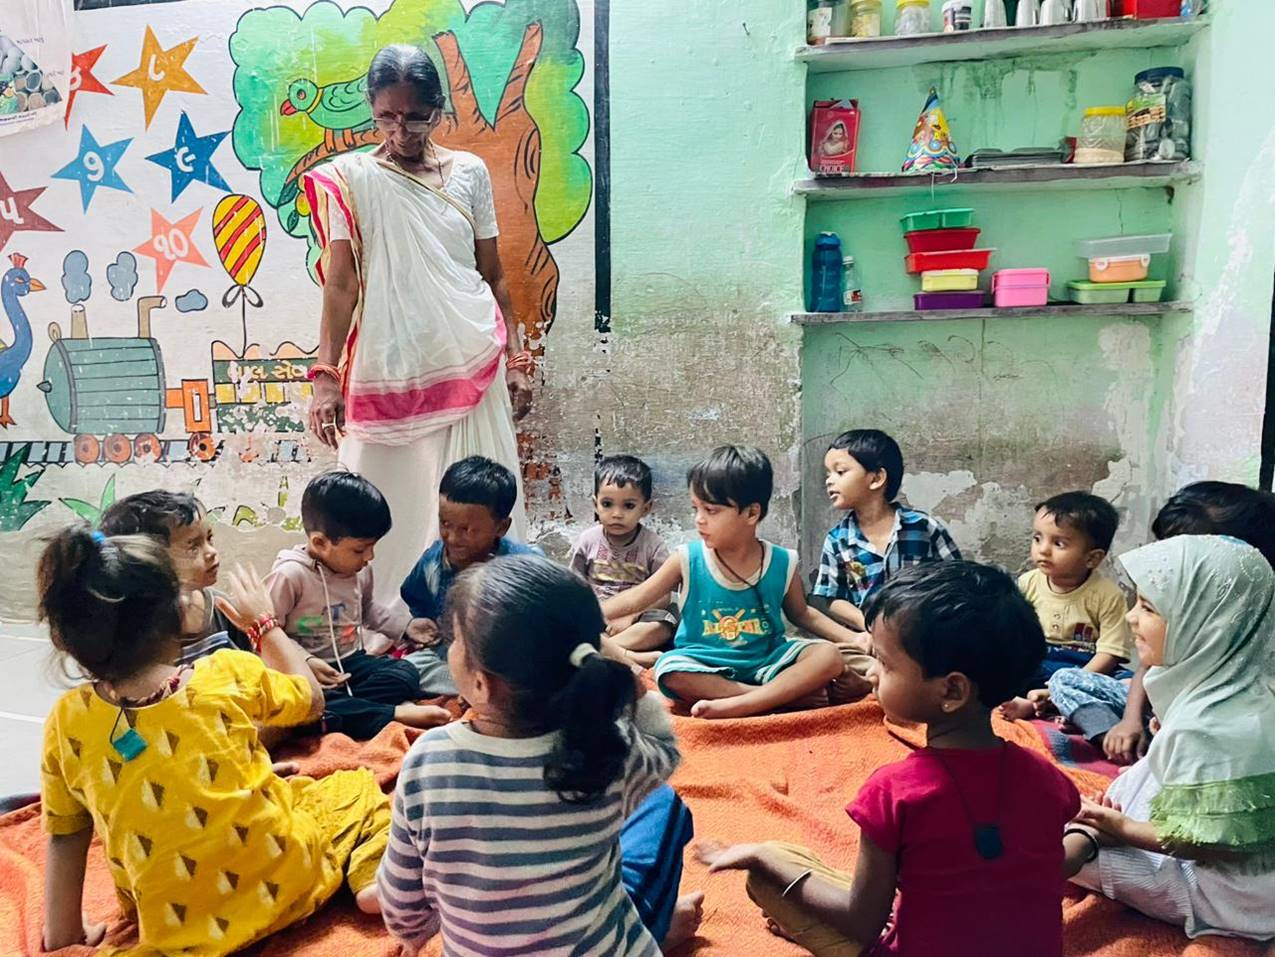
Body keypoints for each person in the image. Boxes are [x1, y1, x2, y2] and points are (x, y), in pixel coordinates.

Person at [696, 561, 1081, 957]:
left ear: (952, 690)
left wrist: (761, 858)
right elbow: (1042, 866)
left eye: (885, 662)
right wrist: (1088, 841)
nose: (873, 675)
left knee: (775, 868)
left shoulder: (894, 792)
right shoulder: (1048, 778)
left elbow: (861, 920)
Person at [37, 527, 392, 954]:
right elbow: (311, 700)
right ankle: (372, 877)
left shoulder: (66, 721)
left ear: (66, 638)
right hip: (290, 886)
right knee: (350, 787)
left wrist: (63, 937)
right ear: (179, 613)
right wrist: (264, 624)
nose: (208, 553)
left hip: (173, 933)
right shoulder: (226, 673)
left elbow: (66, 833)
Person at [378, 555, 704, 955]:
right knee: (664, 804)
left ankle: (657, 922)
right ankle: (657, 924)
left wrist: (424, 932)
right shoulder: (608, 748)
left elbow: (401, 909)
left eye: (456, 641)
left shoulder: (427, 762)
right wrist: (620, 666)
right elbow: (666, 749)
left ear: (480, 684)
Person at [303, 43, 534, 604]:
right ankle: (377, 615)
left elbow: (494, 275)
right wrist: (326, 374)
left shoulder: (470, 173)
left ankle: (484, 615)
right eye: (387, 116)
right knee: (377, 495)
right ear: (373, 110)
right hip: (388, 361)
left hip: (470, 358)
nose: (400, 129)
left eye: (415, 116)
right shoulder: (354, 179)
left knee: (472, 501)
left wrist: (519, 360)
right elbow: (341, 284)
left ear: (439, 109)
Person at [1066, 535, 1275, 941]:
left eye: (1147, 607)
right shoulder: (1245, 681)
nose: (1130, 618)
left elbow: (1210, 844)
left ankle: (1093, 837)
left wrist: (1122, 829)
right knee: (1141, 775)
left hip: (1233, 895)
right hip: (1256, 870)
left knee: (1066, 848)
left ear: (1204, 625)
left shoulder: (1209, 726)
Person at [603, 446, 862, 720]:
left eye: (711, 510)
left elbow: (803, 614)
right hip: (704, 662)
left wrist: (854, 638)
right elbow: (639, 597)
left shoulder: (782, 562)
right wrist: (587, 610)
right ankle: (769, 697)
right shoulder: (688, 559)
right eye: (696, 508)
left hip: (768, 659)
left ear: (751, 514)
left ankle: (749, 701)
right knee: (669, 669)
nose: (699, 519)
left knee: (828, 656)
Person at [1049, 482, 1275, 763]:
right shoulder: (1173, 609)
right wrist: (1130, 721)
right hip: (1158, 709)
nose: (1132, 616)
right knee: (1066, 679)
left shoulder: (1252, 622)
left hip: (1212, 724)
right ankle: (1116, 739)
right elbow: (1149, 664)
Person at [268, 471, 450, 739]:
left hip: (351, 663)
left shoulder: (361, 571)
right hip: (303, 672)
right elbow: (268, 634)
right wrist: (306, 661)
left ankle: (344, 712)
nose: (370, 556)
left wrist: (406, 627)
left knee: (405, 674)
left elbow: (368, 611)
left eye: (373, 547)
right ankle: (389, 713)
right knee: (299, 699)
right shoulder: (290, 576)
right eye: (360, 549)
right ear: (320, 542)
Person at [399, 455, 540, 695]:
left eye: (466, 530)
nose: (452, 538)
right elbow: (416, 601)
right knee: (399, 674)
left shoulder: (524, 566)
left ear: (501, 527)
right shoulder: (433, 562)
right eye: (445, 524)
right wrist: (418, 628)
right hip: (446, 659)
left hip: (508, 665)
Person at [999, 491, 1135, 721]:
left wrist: (1075, 681)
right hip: (1038, 661)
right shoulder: (1027, 583)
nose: (1043, 549)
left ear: (1092, 558)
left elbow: (1109, 653)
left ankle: (1044, 702)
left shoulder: (1108, 595)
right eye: (1037, 538)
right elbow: (1014, 634)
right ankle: (1047, 701)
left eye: (1058, 543)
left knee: (1132, 683)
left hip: (1086, 666)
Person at [812, 429, 961, 632]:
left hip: (922, 635)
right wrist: (867, 624)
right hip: (867, 638)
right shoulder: (838, 540)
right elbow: (832, 598)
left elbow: (958, 579)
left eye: (840, 472)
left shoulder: (924, 528)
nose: (829, 480)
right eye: (828, 473)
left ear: (876, 479)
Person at [99, 490, 248, 664]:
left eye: (209, 538)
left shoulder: (222, 608)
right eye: (193, 546)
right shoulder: (133, 627)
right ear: (148, 557)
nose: (211, 552)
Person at [570, 455, 678, 667]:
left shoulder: (653, 545)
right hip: (596, 614)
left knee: (663, 625)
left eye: (628, 506)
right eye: (607, 504)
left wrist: (630, 617)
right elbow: (573, 585)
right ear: (595, 504)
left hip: (637, 618)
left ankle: (598, 652)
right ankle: (627, 657)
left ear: (645, 508)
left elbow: (663, 595)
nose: (616, 514)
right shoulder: (587, 540)